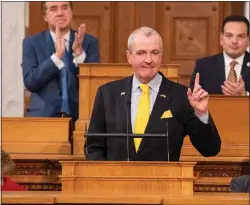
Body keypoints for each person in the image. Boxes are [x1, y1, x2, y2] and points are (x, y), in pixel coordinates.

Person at [84, 27, 221, 161]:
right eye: (141, 53)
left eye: (154, 53)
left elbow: (210, 149)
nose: (148, 60)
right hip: (115, 181)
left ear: (161, 55)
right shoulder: (108, 93)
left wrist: (201, 114)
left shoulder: (181, 96)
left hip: (164, 181)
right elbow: (93, 146)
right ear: (129, 56)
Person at [22, 2, 100, 122]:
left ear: (71, 12)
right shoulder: (32, 43)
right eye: (53, 9)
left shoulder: (89, 42)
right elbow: (31, 82)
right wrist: (56, 57)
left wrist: (80, 55)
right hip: (43, 118)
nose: (60, 13)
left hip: (82, 118)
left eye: (64, 7)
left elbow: (95, 84)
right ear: (45, 17)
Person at [190, 15, 250, 95]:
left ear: (248, 40)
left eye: (240, 36)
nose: (234, 41)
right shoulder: (203, 66)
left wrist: (245, 95)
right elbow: (190, 101)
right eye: (229, 35)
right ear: (221, 39)